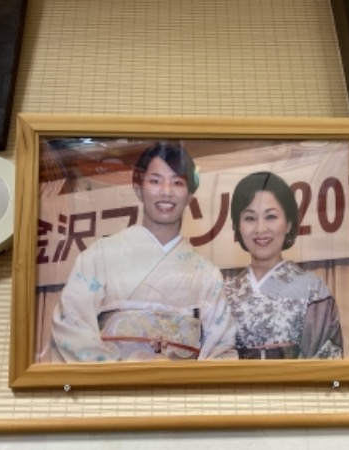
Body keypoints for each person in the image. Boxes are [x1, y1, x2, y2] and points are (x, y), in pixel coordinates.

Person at [50, 142, 237, 362]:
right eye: (155, 181)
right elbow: (71, 325)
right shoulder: (100, 256)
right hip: (115, 389)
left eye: (177, 183)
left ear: (189, 196)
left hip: (180, 392)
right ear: (138, 189)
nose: (166, 192)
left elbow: (220, 348)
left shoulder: (206, 273)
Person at [224, 171, 343, 359]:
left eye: (271, 216)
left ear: (288, 223)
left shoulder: (313, 290)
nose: (260, 229)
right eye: (249, 218)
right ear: (238, 226)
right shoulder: (223, 294)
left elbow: (326, 364)